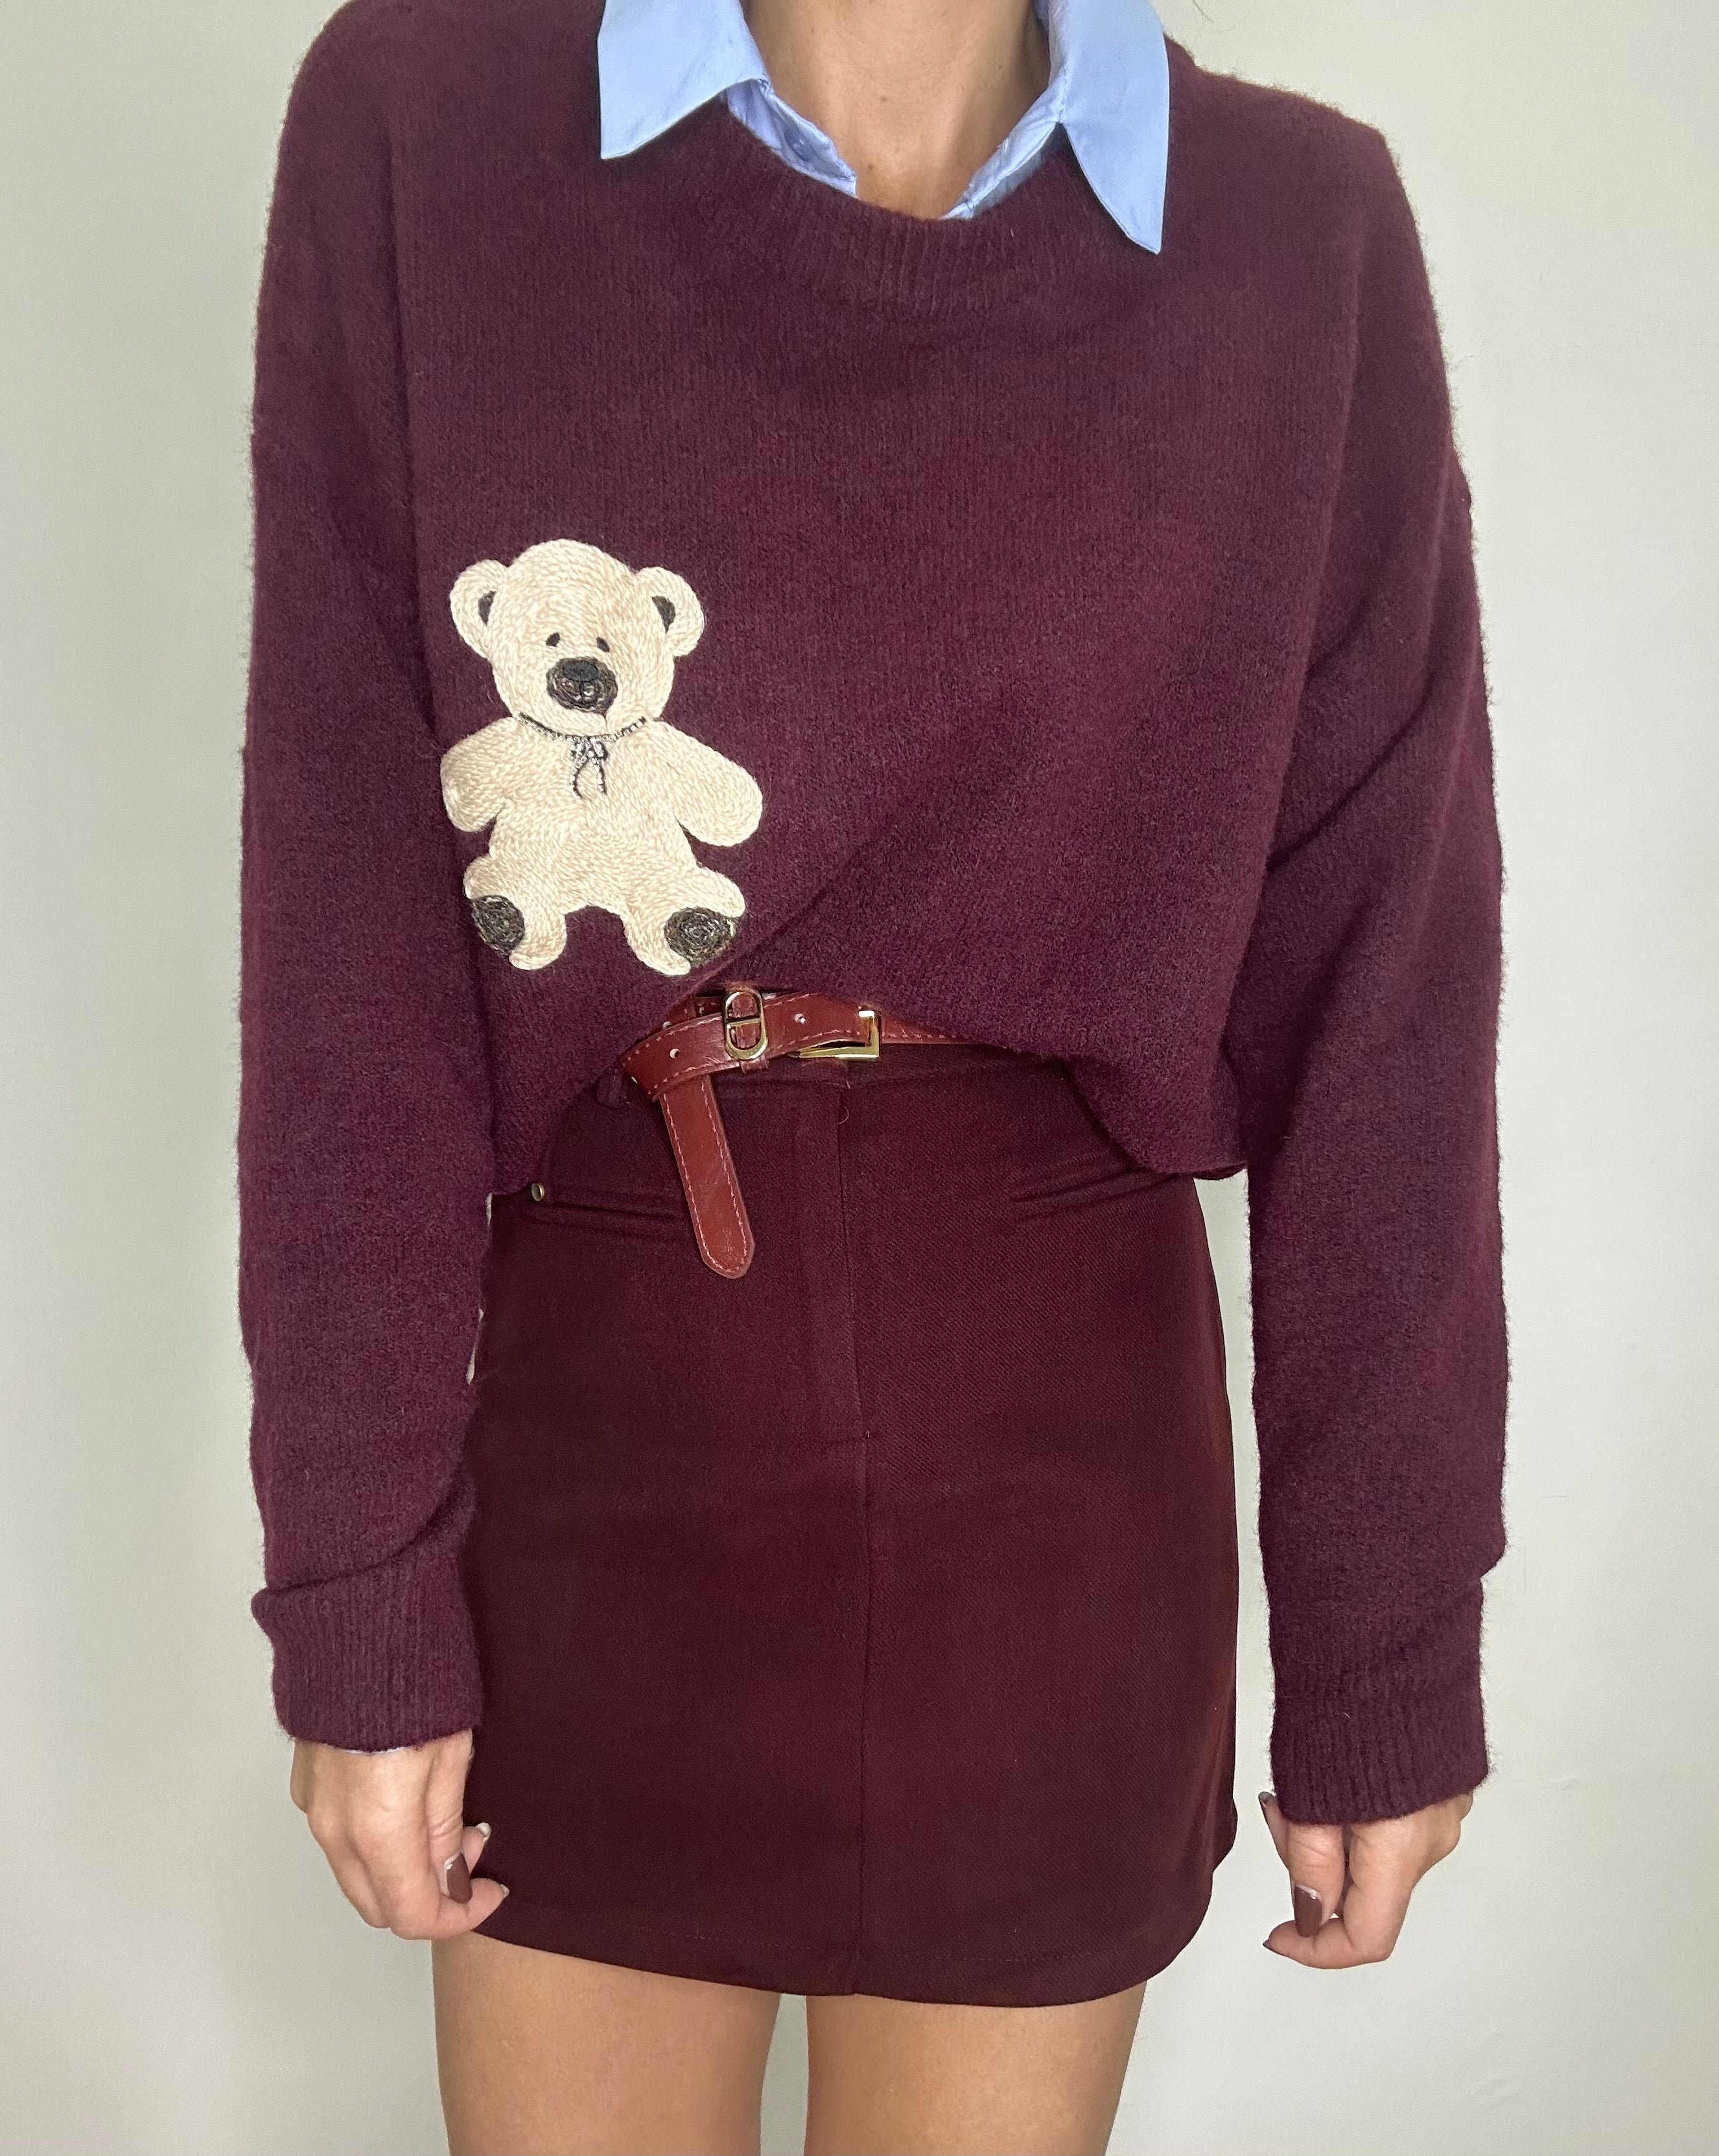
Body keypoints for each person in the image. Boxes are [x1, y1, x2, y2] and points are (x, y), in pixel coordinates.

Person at [237, 0, 1506, 2146]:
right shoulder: (430, 126)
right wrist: (355, 1582)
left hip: (1063, 1460)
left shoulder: (1301, 230)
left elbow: (1386, 988)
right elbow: (348, 932)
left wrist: (1388, 1642)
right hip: (602, 1409)